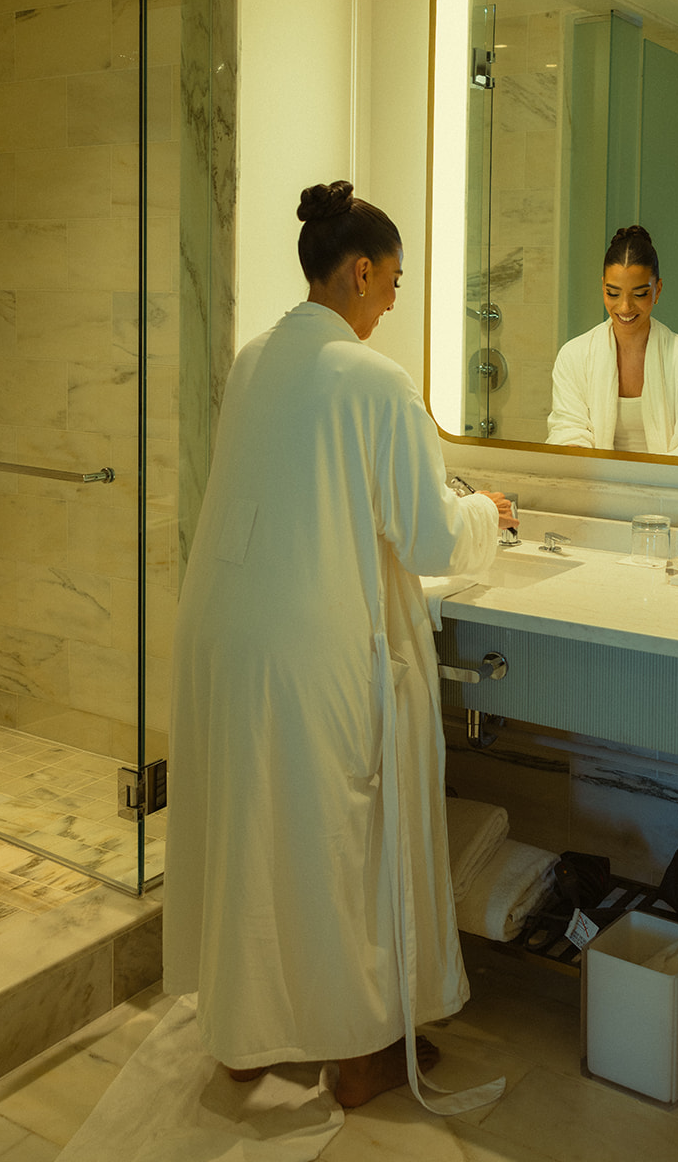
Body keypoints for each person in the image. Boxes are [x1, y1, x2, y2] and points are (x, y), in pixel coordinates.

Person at [163, 180, 514, 1112]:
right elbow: (431, 540)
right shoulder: (372, 378)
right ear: (359, 271)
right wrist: (487, 512)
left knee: (252, 833)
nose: (394, 301)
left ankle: (244, 1037)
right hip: (313, 648)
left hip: (224, 633)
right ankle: (359, 1054)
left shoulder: (254, 359)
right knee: (339, 844)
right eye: (394, 281)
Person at [546, 224, 678, 458]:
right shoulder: (574, 356)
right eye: (613, 293)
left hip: (665, 490)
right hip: (594, 486)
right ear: (602, 287)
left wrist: (647, 486)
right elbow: (567, 431)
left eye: (639, 294)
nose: (624, 307)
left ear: (658, 290)